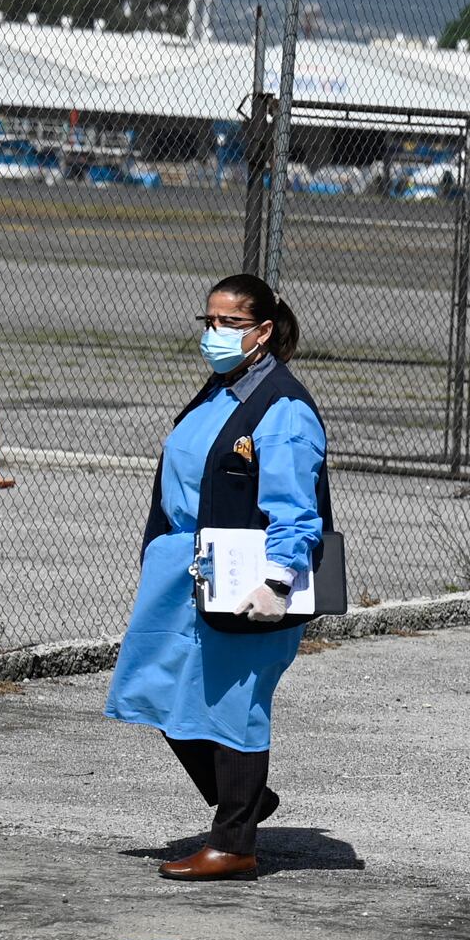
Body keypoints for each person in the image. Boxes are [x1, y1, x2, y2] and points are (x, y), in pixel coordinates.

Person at [106, 273, 335, 881]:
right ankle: (249, 799)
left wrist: (279, 580)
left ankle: (235, 841)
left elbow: (295, 507)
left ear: (261, 332)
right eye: (208, 322)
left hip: (249, 578)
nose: (214, 334)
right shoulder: (219, 391)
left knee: (233, 705)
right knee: (153, 689)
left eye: (228, 325)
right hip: (183, 569)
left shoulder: (282, 409)